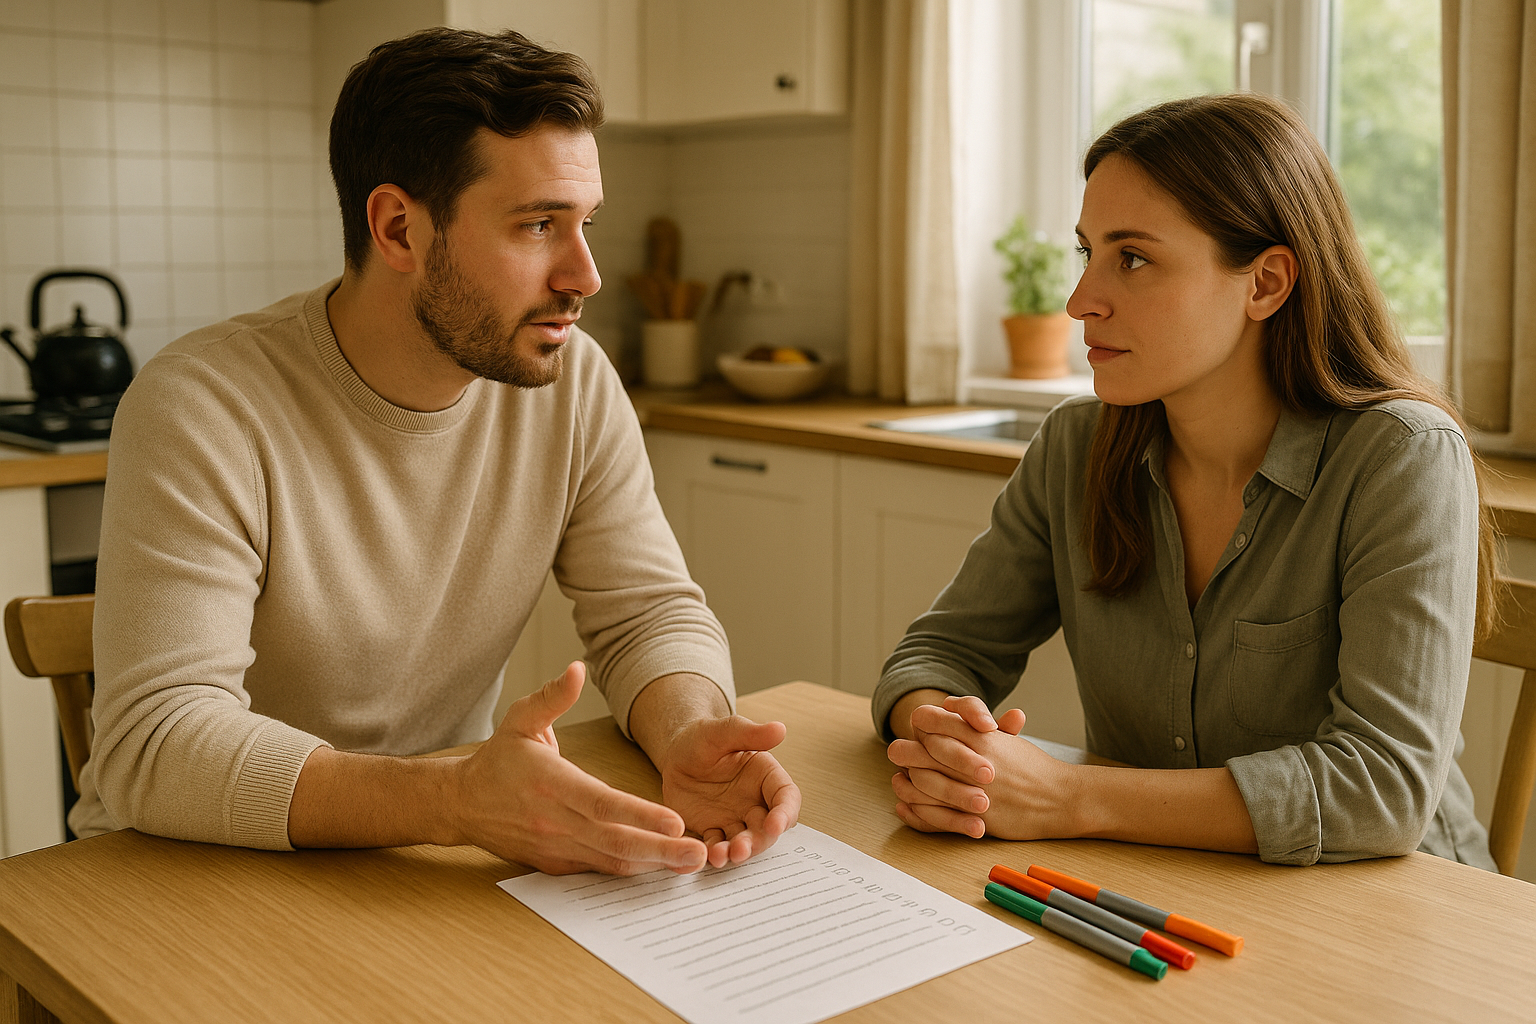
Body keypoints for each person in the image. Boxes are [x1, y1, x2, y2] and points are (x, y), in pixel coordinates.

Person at [70, 27, 801, 876]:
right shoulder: (202, 405)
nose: (586, 274)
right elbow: (155, 744)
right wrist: (452, 800)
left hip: (421, 868)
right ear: (398, 229)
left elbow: (647, 612)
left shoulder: (573, 380)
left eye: (585, 223)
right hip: (186, 874)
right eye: (537, 225)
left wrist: (688, 731)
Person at [875, 93, 1498, 869]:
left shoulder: (1401, 458)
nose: (1079, 302)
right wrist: (949, 741)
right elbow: (937, 652)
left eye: (1131, 258)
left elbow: (1381, 790)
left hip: (1400, 913)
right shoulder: (1074, 446)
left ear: (1265, 284)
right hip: (1166, 882)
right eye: (1086, 252)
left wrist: (1068, 796)